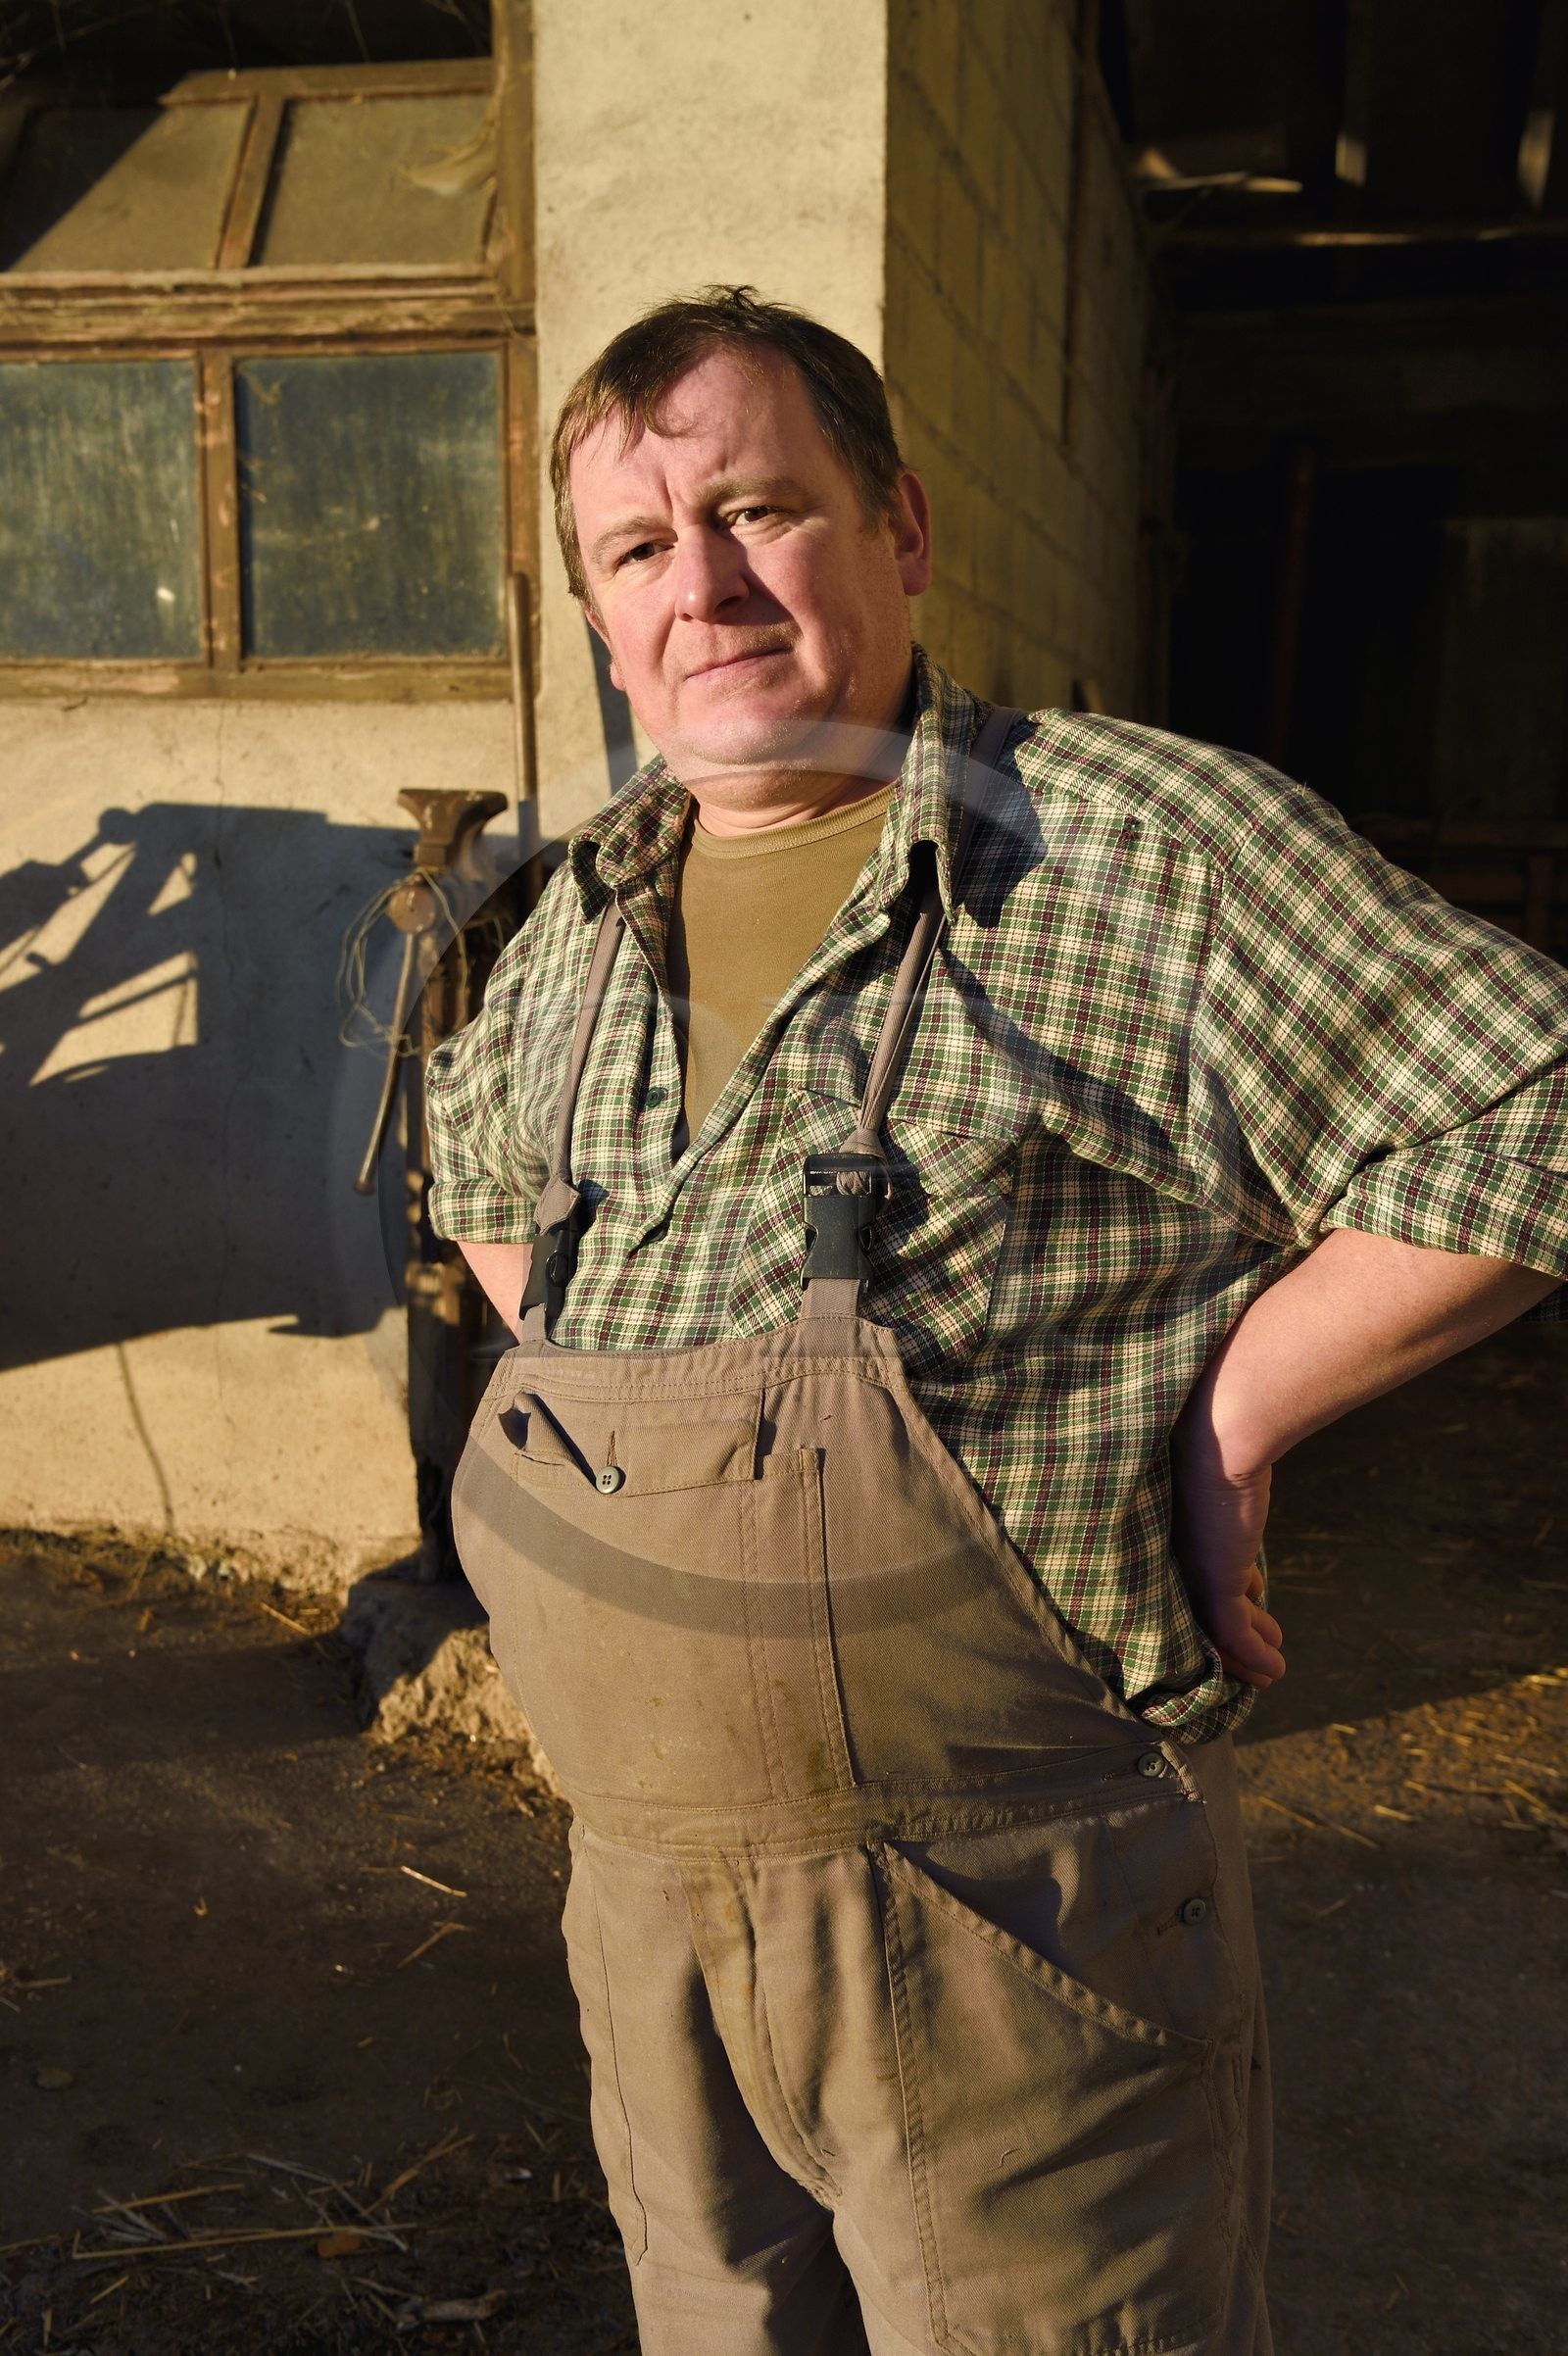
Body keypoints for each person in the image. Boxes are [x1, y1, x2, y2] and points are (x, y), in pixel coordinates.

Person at [423, 286, 1567, 2355]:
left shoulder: (1135, 848)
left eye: (759, 510)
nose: (704, 586)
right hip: (642, 1913)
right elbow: (479, 1194)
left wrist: (1229, 1407)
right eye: (637, 548)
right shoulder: (570, 924)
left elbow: (1527, 1104)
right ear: (599, 620)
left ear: (902, 531)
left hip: (1005, 1929)